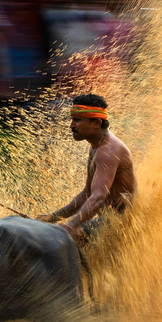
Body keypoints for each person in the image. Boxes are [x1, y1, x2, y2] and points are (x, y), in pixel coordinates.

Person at [37, 94, 136, 242]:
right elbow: (87, 194)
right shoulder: (96, 147)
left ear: (96, 123)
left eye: (77, 120)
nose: (71, 125)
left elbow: (98, 198)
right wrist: (53, 217)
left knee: (58, 241)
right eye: (72, 120)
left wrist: (70, 227)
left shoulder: (108, 151)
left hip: (121, 220)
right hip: (107, 218)